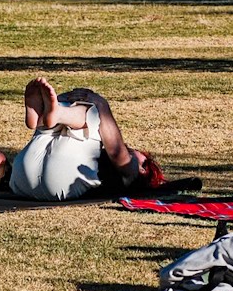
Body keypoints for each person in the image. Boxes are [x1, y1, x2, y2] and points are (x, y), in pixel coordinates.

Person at [11, 77, 164, 201]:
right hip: (25, 177)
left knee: (94, 113)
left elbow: (117, 152)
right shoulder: (95, 158)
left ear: (143, 170)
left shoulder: (132, 175)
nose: (132, 149)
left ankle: (50, 112)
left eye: (140, 154)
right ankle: (49, 113)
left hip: (46, 177)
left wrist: (101, 103)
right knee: (60, 126)